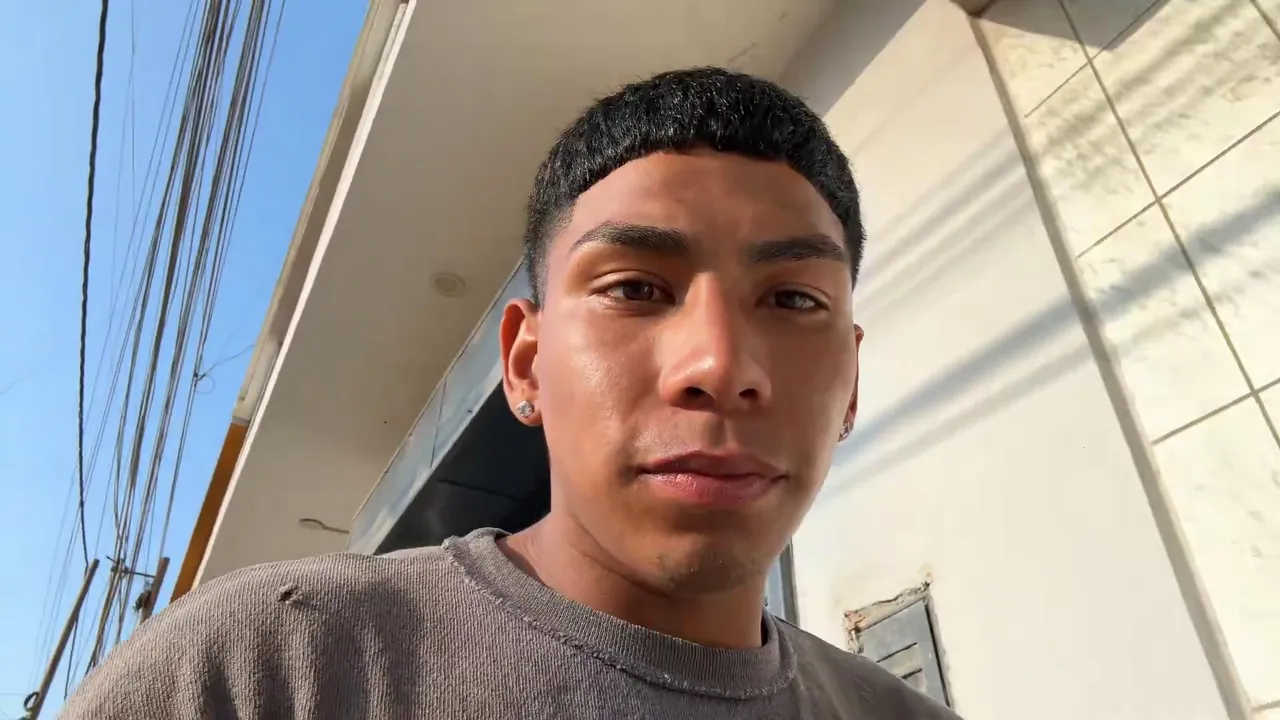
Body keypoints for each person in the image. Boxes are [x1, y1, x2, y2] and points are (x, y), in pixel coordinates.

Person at [61, 67, 961, 719]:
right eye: (635, 288)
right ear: (526, 365)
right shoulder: (266, 669)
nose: (720, 366)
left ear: (850, 384)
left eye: (794, 300)